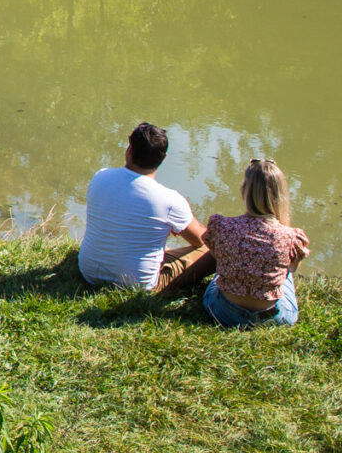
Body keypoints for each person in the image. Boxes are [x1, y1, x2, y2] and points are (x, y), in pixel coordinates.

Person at [76, 122, 206, 291]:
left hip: (89, 272)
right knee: (212, 249)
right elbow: (201, 240)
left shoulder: (100, 177)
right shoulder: (170, 200)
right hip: (137, 285)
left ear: (129, 150)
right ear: (164, 158)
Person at [199, 158, 309, 328]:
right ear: (280, 196)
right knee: (286, 275)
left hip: (223, 312)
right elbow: (292, 268)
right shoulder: (290, 236)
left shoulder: (222, 226)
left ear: (244, 191)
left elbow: (216, 256)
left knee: (220, 273)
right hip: (273, 318)